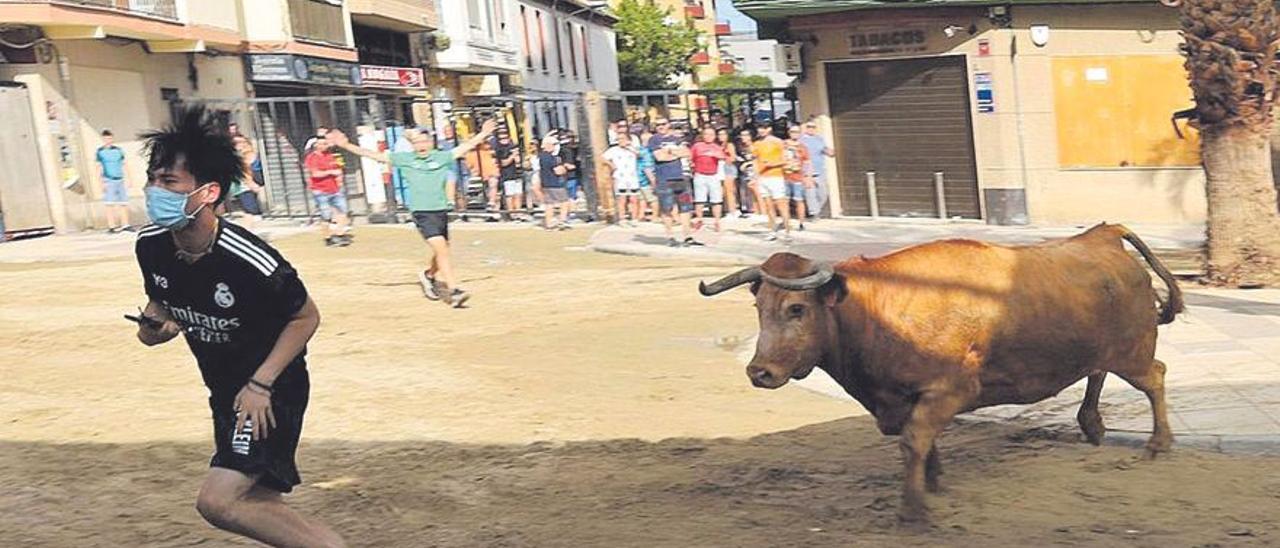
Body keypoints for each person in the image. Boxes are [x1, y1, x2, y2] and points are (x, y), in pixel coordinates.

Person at [132, 106, 344, 548]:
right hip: (224, 391)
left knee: (218, 501)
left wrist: (261, 384)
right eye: (153, 179)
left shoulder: (249, 258)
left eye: (169, 182)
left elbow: (306, 317)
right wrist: (154, 327)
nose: (155, 191)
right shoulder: (150, 245)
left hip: (268, 391)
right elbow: (161, 303)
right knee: (261, 504)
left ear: (208, 192)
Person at [328, 120, 498, 308]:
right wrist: (346, 145)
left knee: (442, 250)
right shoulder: (406, 159)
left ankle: (429, 275)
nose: (421, 146)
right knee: (441, 249)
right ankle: (454, 291)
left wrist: (483, 134)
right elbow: (373, 155)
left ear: (431, 142)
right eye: (417, 143)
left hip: (439, 210)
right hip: (421, 212)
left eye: (425, 142)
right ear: (412, 145)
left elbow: (465, 146)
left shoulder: (441, 157)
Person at [648, 118, 697, 247]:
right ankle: (670, 236)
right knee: (666, 208)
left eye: (663, 124)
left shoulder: (677, 138)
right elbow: (660, 157)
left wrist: (670, 152)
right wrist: (676, 153)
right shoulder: (654, 140)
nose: (661, 126)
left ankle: (687, 236)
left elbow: (687, 153)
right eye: (658, 125)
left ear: (669, 125)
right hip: (664, 179)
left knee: (685, 208)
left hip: (681, 178)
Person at [302, 136, 351, 247]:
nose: (323, 146)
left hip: (334, 189)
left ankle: (340, 235)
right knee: (326, 215)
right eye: (321, 144)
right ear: (316, 145)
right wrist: (331, 172)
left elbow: (338, 169)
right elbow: (315, 174)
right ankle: (328, 238)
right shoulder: (311, 158)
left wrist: (339, 180)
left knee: (343, 212)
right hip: (320, 190)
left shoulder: (330, 156)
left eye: (325, 143)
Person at [751, 123, 792, 242]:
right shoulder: (757, 144)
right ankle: (772, 230)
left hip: (776, 176)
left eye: (764, 128)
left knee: (781, 204)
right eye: (760, 128)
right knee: (768, 206)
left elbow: (785, 159)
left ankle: (787, 230)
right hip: (763, 177)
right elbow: (755, 160)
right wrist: (755, 176)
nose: (761, 130)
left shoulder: (777, 142)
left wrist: (771, 164)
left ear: (769, 129)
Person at [96, 129, 134, 233]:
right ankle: (111, 226)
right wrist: (100, 183)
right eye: (106, 138)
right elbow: (98, 167)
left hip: (120, 179)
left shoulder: (118, 150)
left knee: (123, 202)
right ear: (103, 139)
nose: (108, 140)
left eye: (110, 138)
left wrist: (129, 179)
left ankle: (125, 224)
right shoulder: (100, 152)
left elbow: (124, 164)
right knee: (109, 203)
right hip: (108, 179)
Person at [689, 126, 726, 232]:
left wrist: (716, 154)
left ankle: (717, 221)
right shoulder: (697, 146)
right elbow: (690, 158)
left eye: (711, 134)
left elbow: (723, 157)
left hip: (713, 175)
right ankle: (699, 220)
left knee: (716, 199)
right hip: (700, 174)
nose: (708, 137)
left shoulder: (717, 147)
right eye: (706, 134)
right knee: (699, 199)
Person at [535, 134, 574, 231]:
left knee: (549, 204)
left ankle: (549, 224)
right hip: (555, 183)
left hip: (546, 184)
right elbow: (558, 171)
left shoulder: (541, 157)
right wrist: (565, 168)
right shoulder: (550, 157)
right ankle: (563, 221)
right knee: (565, 202)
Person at [800, 118, 836, 219]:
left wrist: (830, 152)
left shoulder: (819, 139)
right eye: (809, 127)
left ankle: (816, 210)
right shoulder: (801, 140)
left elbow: (824, 149)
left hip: (820, 171)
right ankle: (814, 213)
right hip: (806, 171)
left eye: (813, 127)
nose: (811, 129)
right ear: (805, 128)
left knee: (823, 193)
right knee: (810, 194)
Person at [603, 132, 641, 225]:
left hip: (632, 177)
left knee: (634, 199)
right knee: (622, 199)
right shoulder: (614, 150)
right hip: (620, 177)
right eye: (619, 139)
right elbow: (603, 158)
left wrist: (629, 147)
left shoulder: (633, 149)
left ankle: (634, 219)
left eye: (623, 139)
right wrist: (611, 165)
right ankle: (622, 219)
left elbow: (640, 155)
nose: (621, 141)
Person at [784, 123, 814, 231]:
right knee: (785, 201)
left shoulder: (802, 147)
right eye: (792, 132)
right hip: (785, 176)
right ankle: (786, 222)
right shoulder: (783, 145)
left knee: (799, 200)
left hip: (798, 177)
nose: (794, 134)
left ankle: (801, 222)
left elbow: (808, 162)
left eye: (797, 132)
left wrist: (808, 177)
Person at [231, 137, 265, 228]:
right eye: (236, 143)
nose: (239, 145)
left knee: (250, 213)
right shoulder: (238, 157)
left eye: (241, 142)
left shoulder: (250, 154)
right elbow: (243, 174)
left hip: (246, 187)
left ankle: (250, 231)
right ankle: (250, 231)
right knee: (252, 213)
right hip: (243, 187)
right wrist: (251, 184)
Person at [492, 129, 523, 221]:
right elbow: (503, 163)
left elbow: (519, 161)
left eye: (505, 137)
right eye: (502, 138)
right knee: (510, 195)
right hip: (507, 174)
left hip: (517, 173)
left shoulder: (513, 146)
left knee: (518, 194)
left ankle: (518, 212)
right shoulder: (500, 149)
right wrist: (512, 156)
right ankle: (512, 214)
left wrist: (517, 158)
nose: (504, 139)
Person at [635, 127, 659, 222]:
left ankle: (641, 215)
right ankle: (655, 216)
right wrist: (653, 181)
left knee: (642, 199)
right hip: (646, 179)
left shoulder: (639, 150)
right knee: (654, 199)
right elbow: (647, 169)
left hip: (638, 179)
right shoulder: (648, 153)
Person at [735, 128, 759, 218]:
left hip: (754, 171)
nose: (743, 137)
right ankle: (751, 209)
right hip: (746, 172)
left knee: (755, 191)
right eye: (742, 135)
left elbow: (758, 159)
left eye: (745, 135)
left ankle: (760, 211)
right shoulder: (742, 147)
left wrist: (747, 163)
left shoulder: (754, 146)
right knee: (747, 191)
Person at [717, 127, 739, 217]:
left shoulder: (729, 145)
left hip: (728, 167)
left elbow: (733, 157)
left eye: (723, 134)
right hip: (720, 168)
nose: (721, 136)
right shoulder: (718, 145)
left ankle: (733, 211)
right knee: (723, 190)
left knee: (730, 190)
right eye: (719, 135)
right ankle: (727, 209)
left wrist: (723, 157)